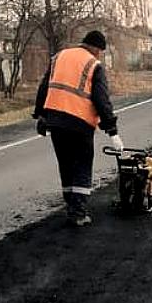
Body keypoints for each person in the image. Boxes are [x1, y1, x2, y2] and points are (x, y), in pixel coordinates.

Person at [33, 29, 124, 227]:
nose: (99, 55)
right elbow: (102, 100)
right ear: (97, 48)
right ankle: (79, 213)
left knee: (66, 166)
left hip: (56, 122)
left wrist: (40, 115)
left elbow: (45, 86)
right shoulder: (94, 65)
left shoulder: (59, 57)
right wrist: (112, 130)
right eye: (100, 51)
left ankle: (71, 208)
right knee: (81, 165)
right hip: (80, 124)